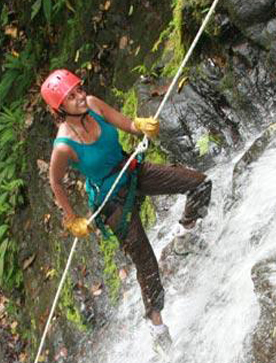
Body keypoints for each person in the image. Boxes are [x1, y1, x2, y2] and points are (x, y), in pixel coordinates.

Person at [41, 69, 212, 352]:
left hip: (130, 170)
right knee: (145, 261)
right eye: (71, 97)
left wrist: (141, 126)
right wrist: (72, 218)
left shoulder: (94, 105)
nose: (80, 97)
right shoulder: (63, 146)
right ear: (60, 108)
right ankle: (156, 323)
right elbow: (55, 182)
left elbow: (125, 123)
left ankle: (185, 231)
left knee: (199, 184)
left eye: (79, 90)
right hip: (111, 202)